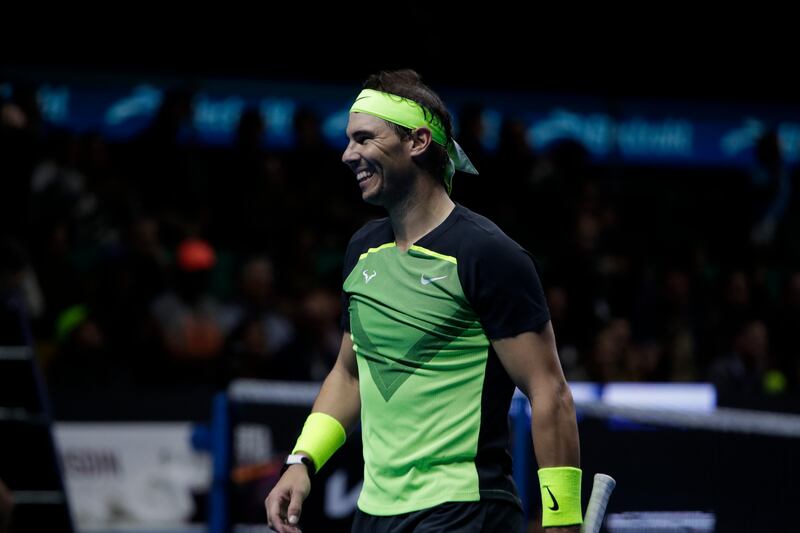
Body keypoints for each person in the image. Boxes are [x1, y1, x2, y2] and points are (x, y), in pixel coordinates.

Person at [264, 70, 582, 532]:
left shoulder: (487, 254)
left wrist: (564, 521)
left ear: (416, 141)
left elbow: (548, 391)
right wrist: (302, 460)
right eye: (349, 140)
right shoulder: (361, 251)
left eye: (364, 139)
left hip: (465, 508)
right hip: (374, 512)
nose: (347, 154)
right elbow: (350, 373)